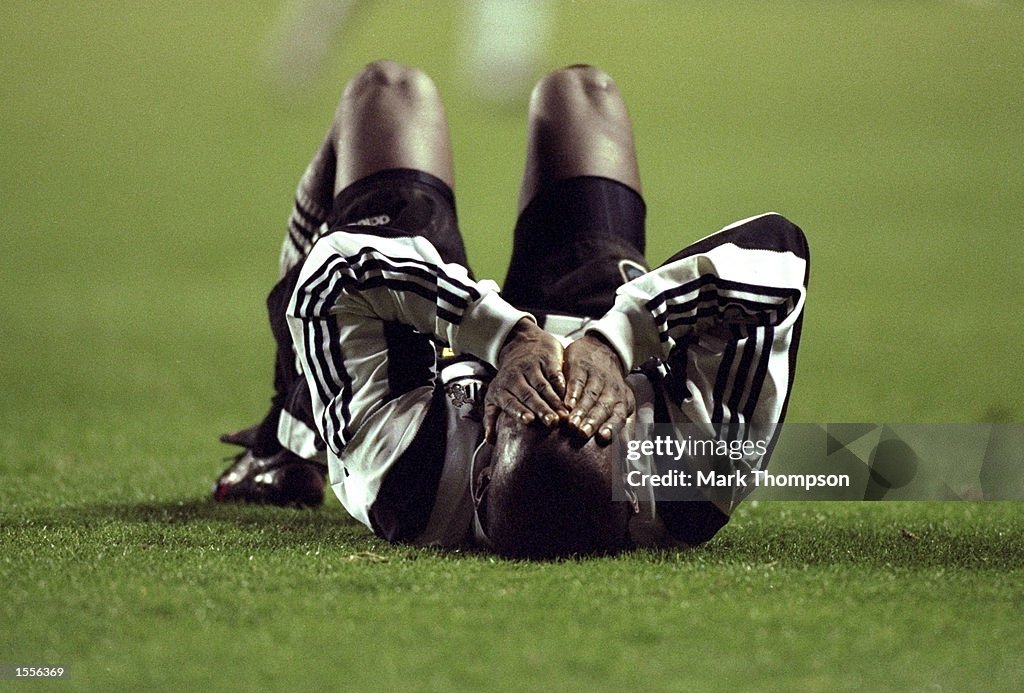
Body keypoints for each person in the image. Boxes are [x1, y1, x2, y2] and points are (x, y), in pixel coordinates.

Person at [215, 60, 810, 558]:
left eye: (524, 413)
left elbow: (333, 272)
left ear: (480, 474)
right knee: (581, 93)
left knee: (391, 90)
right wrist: (613, 345)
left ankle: (283, 437)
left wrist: (502, 338)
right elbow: (779, 258)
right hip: (594, 320)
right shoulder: (698, 476)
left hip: (425, 374)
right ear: (632, 474)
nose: (556, 386)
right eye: (590, 414)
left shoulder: (403, 474)